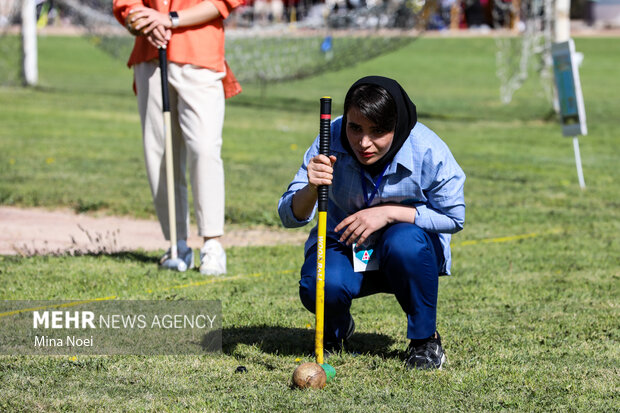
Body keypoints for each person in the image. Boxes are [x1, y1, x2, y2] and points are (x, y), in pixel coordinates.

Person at [278, 76, 466, 370]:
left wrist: (390, 213)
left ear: (398, 126)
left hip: (407, 252)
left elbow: (454, 218)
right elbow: (289, 216)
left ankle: (425, 342)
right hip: (344, 245)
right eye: (355, 128)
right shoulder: (330, 137)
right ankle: (336, 331)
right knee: (321, 282)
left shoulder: (428, 149)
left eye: (378, 131)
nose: (364, 143)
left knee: (404, 242)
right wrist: (312, 188)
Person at [113, 0, 243, 275]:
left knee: (204, 148)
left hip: (201, 54)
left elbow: (223, 3)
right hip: (150, 55)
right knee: (159, 152)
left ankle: (212, 244)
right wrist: (145, 23)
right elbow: (127, 6)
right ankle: (177, 245)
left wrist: (170, 19)